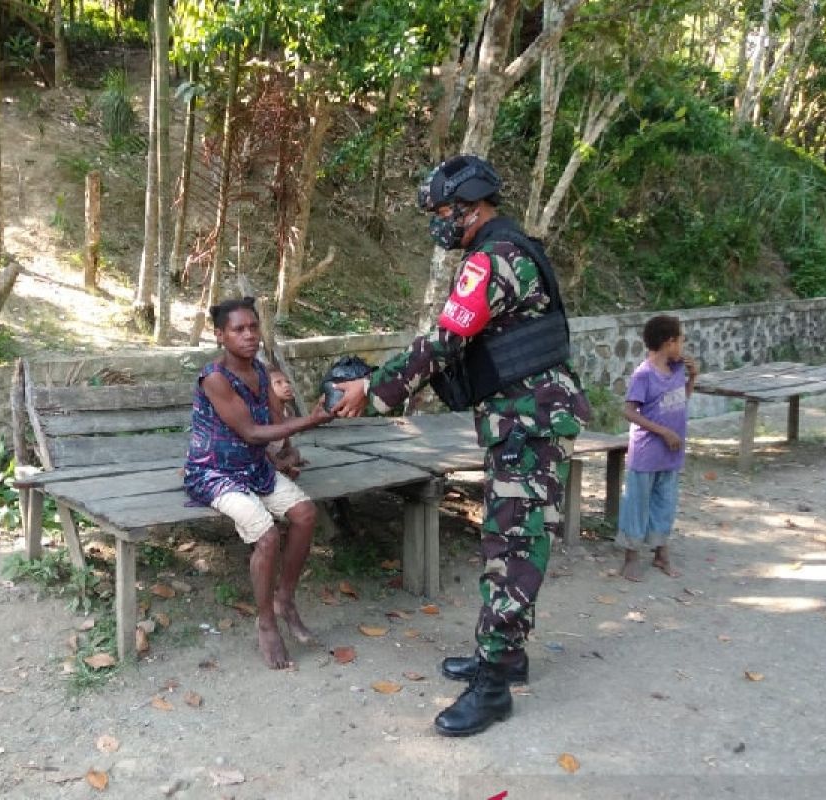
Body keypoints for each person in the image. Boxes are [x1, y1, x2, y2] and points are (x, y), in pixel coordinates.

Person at [331, 155, 590, 737]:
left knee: (513, 549)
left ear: (470, 208)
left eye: (444, 213)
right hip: (527, 420)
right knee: (510, 543)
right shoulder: (512, 249)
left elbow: (443, 344)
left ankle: (494, 687)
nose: (439, 224)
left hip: (530, 425)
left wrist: (373, 390)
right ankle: (506, 655)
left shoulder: (492, 260)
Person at [184, 297, 334, 669]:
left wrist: (284, 454)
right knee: (265, 535)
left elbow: (272, 421)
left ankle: (285, 598)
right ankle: (266, 622)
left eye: (253, 327)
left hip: (255, 466)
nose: (249, 335)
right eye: (238, 329)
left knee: (304, 513)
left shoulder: (262, 371)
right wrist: (312, 421)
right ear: (220, 336)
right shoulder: (215, 378)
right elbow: (251, 431)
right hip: (214, 473)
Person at [617, 315, 698, 582]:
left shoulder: (676, 369)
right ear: (669, 342)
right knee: (637, 503)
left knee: (666, 501)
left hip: (671, 452)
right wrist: (662, 431)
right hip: (647, 451)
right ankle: (630, 557)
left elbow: (679, 400)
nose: (683, 344)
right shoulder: (644, 374)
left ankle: (661, 552)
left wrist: (692, 378)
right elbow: (629, 411)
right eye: (681, 339)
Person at [266, 368, 307, 478]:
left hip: (278, 453)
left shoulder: (288, 410)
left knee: (294, 452)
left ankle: (284, 467)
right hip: (263, 454)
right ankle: (283, 468)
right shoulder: (264, 412)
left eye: (287, 382)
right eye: (278, 383)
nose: (286, 386)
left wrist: (291, 456)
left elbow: (286, 436)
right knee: (264, 459)